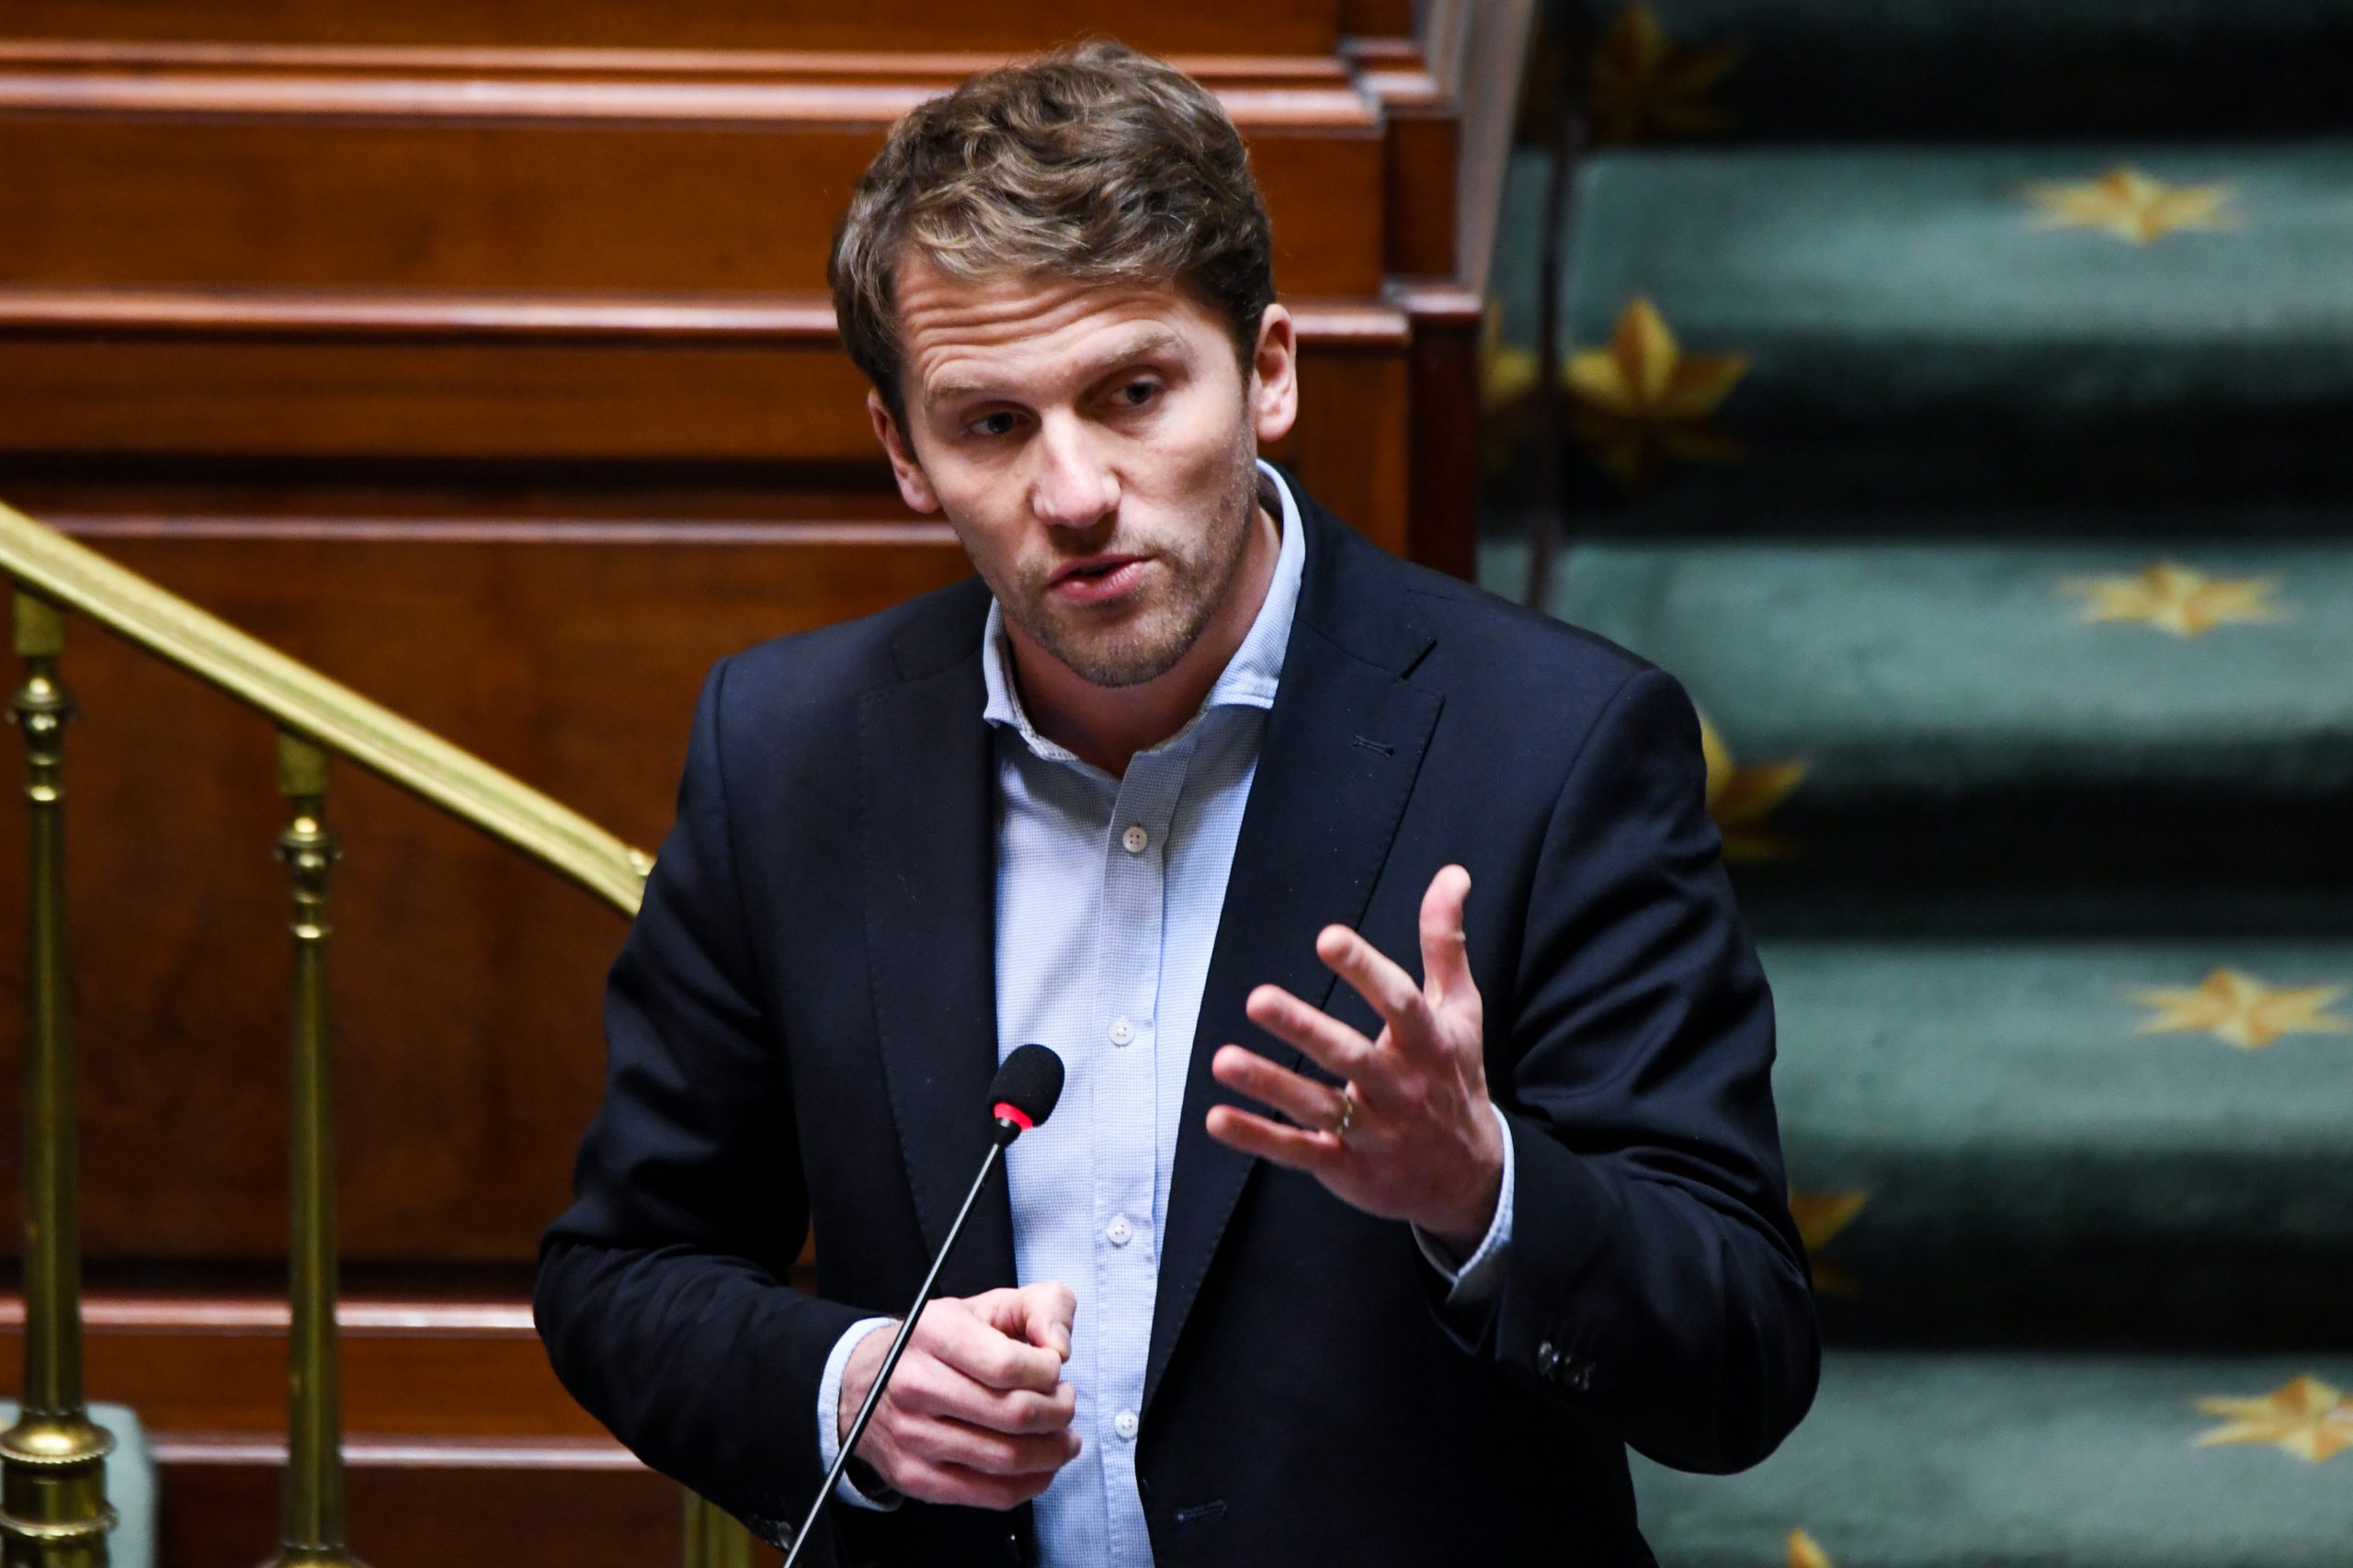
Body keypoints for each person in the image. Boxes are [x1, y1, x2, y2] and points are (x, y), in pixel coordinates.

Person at [534, 38, 1817, 1568]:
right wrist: (846, 1390)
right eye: (991, 423)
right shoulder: (790, 751)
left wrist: (1484, 1191)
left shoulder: (1556, 744)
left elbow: (1744, 1348)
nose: (1074, 492)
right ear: (903, 453)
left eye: (1133, 392)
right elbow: (625, 1269)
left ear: (1268, 370)